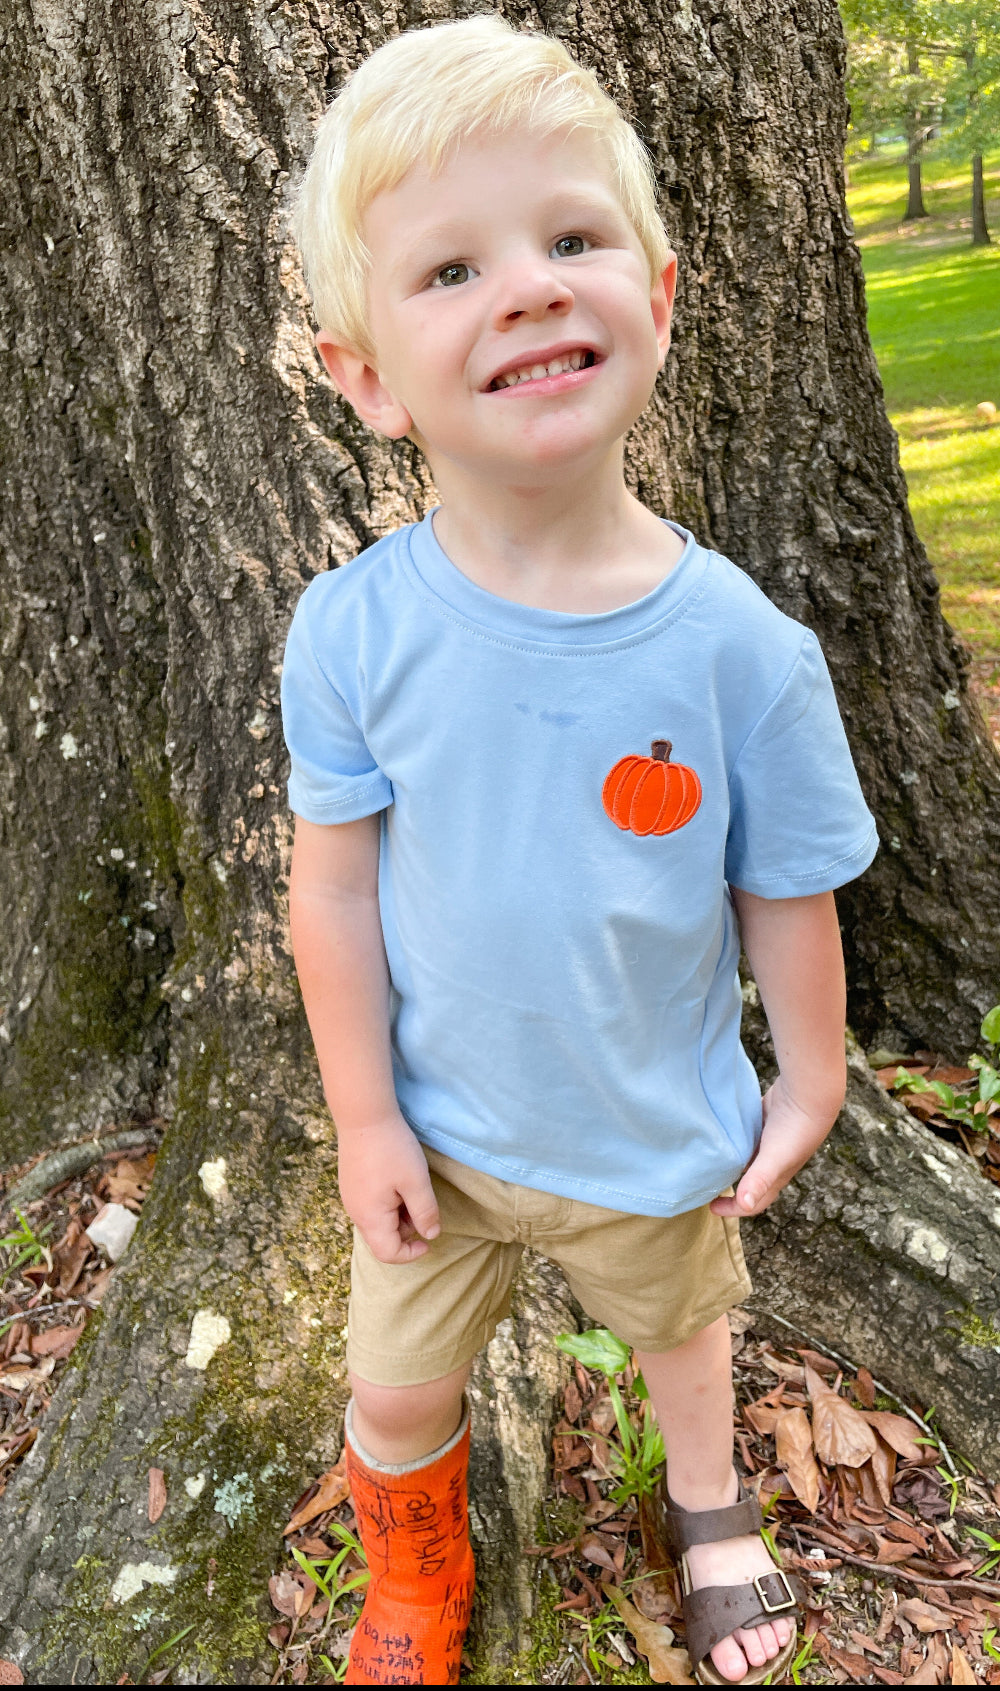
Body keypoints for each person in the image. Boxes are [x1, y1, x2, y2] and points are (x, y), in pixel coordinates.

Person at [280, 15, 878, 1685]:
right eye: (454, 267)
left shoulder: (740, 650)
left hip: (648, 1132)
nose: (531, 287)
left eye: (570, 239)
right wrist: (364, 1118)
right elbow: (329, 887)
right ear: (369, 379)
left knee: (687, 1339)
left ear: (660, 294)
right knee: (395, 1390)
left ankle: (707, 1504)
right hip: (442, 1148)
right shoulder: (352, 632)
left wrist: (811, 1077)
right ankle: (412, 1565)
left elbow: (786, 882)